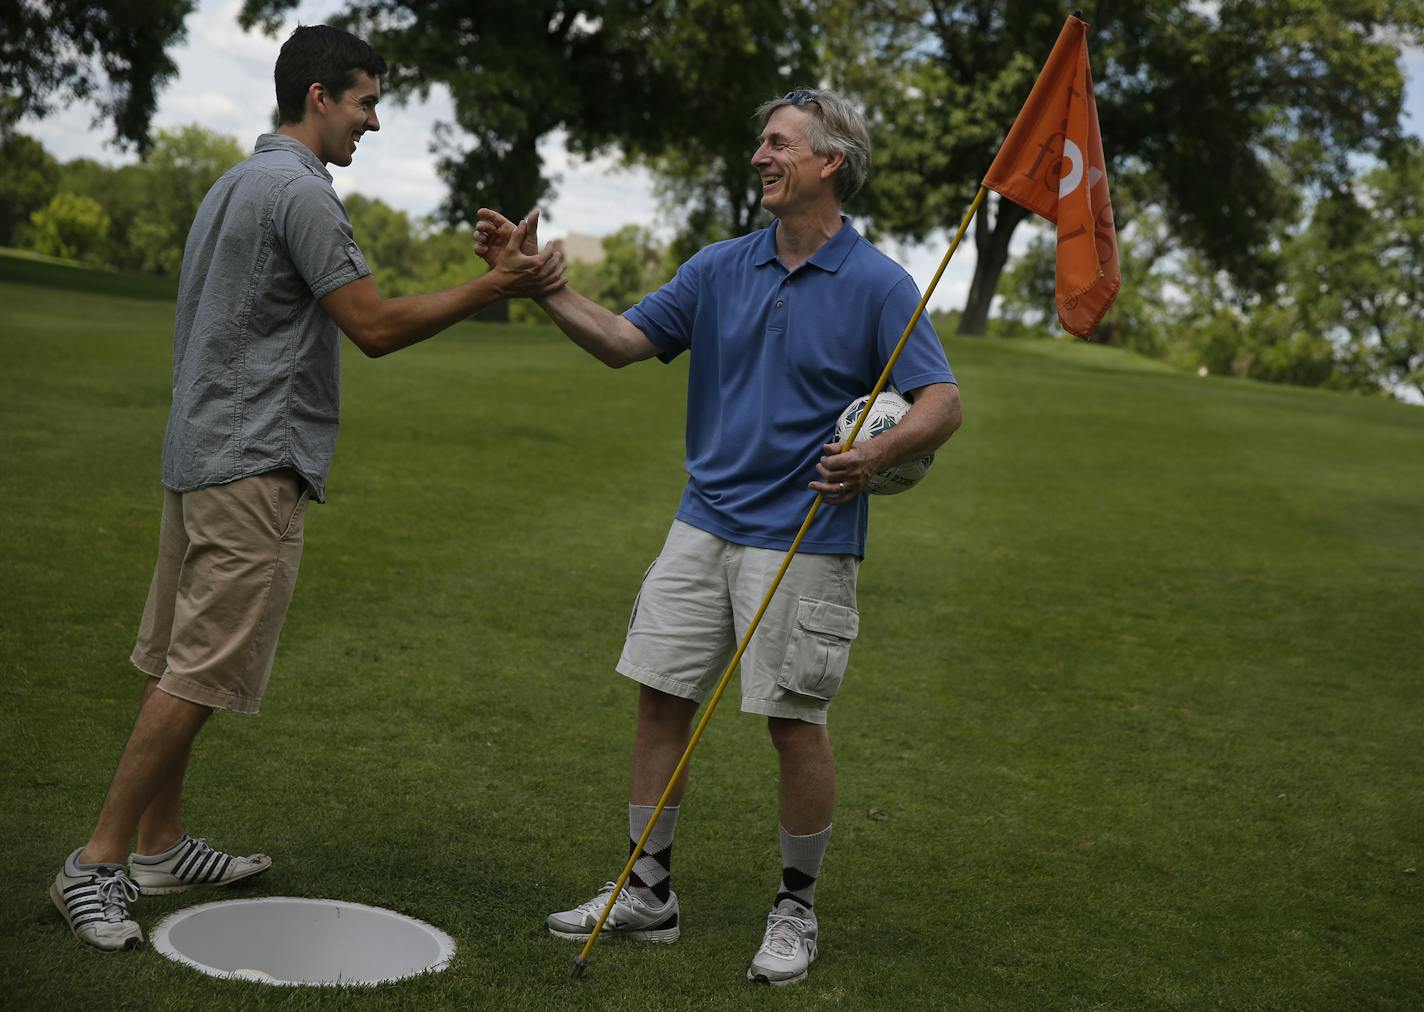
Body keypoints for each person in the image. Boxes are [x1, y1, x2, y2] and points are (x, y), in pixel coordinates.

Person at [51, 24, 566, 953]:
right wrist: (500, 287)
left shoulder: (236, 183)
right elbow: (370, 324)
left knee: (181, 661)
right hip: (252, 464)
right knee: (202, 672)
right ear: (320, 96)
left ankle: (161, 846)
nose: (373, 121)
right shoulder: (302, 194)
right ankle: (96, 862)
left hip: (198, 455)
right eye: (366, 101)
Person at [476, 87, 961, 985]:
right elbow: (623, 341)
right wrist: (546, 284)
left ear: (830, 163)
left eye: (778, 145)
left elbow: (943, 401)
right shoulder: (718, 267)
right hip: (702, 524)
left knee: (792, 721)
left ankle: (794, 909)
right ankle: (646, 889)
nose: (760, 158)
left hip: (805, 536)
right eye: (760, 144)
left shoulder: (879, 284)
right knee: (659, 696)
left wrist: (874, 457)